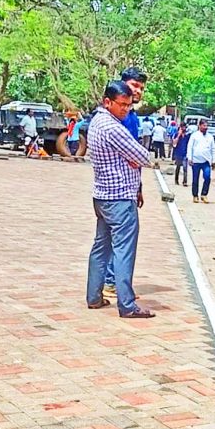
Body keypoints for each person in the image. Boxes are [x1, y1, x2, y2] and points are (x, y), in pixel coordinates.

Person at [85, 80, 155, 318]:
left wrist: (132, 159)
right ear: (108, 102)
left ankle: (94, 296)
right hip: (120, 198)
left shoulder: (97, 122)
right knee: (124, 251)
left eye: (129, 105)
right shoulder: (112, 127)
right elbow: (144, 156)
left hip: (102, 196)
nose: (126, 109)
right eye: (122, 105)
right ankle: (127, 305)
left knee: (101, 248)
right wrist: (134, 159)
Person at [187, 118, 215, 203]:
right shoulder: (194, 135)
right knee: (195, 179)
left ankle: (204, 195)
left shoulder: (210, 137)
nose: (205, 127)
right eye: (204, 125)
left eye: (206, 126)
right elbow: (190, 147)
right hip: (196, 161)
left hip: (206, 161)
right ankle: (195, 196)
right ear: (199, 126)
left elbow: (213, 149)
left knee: (207, 177)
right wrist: (189, 158)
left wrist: (213, 161)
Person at [119, 68, 146, 141]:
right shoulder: (114, 112)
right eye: (135, 85)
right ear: (123, 84)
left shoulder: (132, 114)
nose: (139, 91)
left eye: (141, 89)